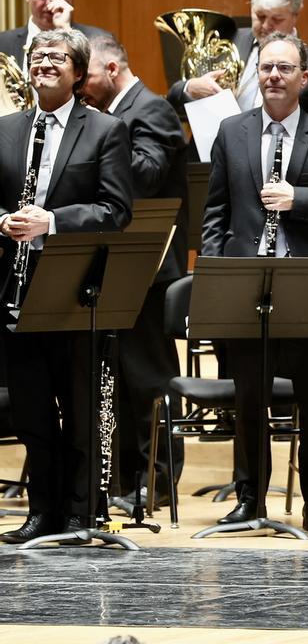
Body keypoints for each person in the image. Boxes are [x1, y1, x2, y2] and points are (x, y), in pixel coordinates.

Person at [201, 32, 308, 533]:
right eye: (266, 67)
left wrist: (303, 199)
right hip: (246, 283)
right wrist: (214, 276)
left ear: (303, 78)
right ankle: (250, 497)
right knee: (249, 397)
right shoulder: (231, 131)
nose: (273, 75)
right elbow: (216, 212)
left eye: (284, 68)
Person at [0, 29, 133, 544]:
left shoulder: (105, 131)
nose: (43, 63)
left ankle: (82, 512)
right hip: (15, 289)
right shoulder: (7, 130)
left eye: (56, 57)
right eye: (37, 56)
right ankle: (43, 512)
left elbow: (116, 209)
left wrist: (51, 221)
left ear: (79, 73)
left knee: (78, 406)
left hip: (76, 291)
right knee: (32, 408)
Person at [80, 34, 188, 508]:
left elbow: (145, 174)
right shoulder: (113, 114)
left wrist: (98, 139)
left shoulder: (152, 109)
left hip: (148, 264)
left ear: (111, 68)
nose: (79, 84)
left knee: (149, 378)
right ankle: (124, 481)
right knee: (116, 378)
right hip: (112, 265)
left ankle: (159, 480)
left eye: (84, 74)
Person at [167, 0, 308, 120]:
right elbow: (173, 97)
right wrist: (190, 87)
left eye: (277, 19)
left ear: (295, 16)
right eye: (260, 16)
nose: (266, 26)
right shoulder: (223, 41)